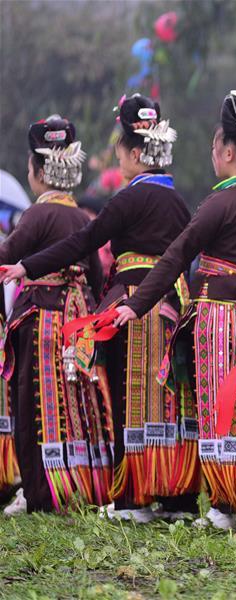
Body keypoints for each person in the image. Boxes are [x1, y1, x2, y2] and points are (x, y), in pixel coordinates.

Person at [2, 94, 193, 523]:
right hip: (174, 305)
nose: (118, 158)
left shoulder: (129, 199)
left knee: (130, 398)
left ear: (137, 152)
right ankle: (178, 497)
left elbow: (84, 244)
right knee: (172, 401)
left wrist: (27, 265)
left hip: (132, 305)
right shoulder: (177, 201)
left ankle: (133, 500)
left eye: (120, 149)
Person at [112, 90, 236, 530]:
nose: (213, 156)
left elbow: (175, 256)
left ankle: (227, 505)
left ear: (228, 151)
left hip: (222, 318)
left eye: (213, 148)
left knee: (221, 407)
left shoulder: (219, 202)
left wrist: (136, 303)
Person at [0, 116, 109, 514]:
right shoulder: (82, 217)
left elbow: (6, 256)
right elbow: (97, 276)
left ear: (39, 171)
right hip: (78, 320)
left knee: (33, 401)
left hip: (42, 321)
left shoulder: (37, 215)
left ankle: (38, 493)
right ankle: (79, 485)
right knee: (78, 400)